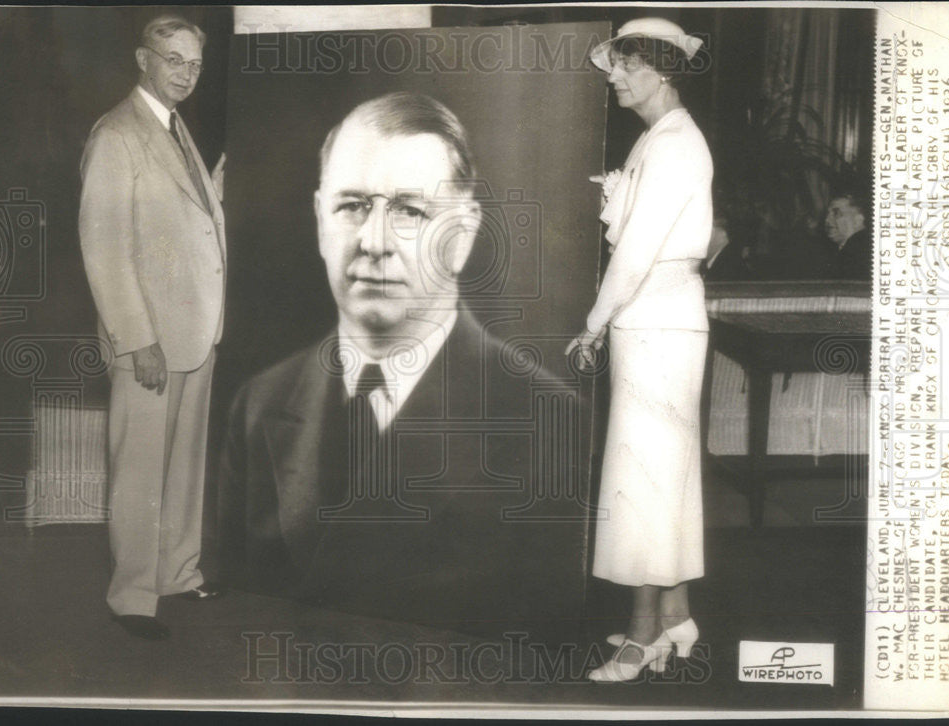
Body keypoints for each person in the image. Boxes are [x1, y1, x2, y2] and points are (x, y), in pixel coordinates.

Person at [217, 92, 584, 640]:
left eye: (411, 210)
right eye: (352, 206)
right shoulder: (260, 404)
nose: (373, 242)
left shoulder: (547, 420)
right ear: (321, 221)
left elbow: (547, 649)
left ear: (463, 235)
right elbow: (240, 617)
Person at [567, 18, 711, 681]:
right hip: (656, 320)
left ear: (664, 70)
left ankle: (642, 634)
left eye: (626, 66)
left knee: (644, 479)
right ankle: (676, 613)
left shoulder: (675, 145)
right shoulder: (659, 139)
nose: (614, 76)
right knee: (660, 473)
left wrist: (593, 321)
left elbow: (635, 251)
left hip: (654, 320)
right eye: (613, 65)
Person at [79, 14, 227, 640]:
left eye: (194, 63)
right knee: (140, 469)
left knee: (182, 467)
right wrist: (137, 340)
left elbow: (179, 217)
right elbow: (104, 247)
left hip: (197, 330)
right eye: (173, 60)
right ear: (143, 59)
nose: (186, 73)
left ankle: (177, 572)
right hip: (152, 341)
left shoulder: (173, 127)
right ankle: (133, 596)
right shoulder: (116, 133)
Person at [823, 191, 871, 280]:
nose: (827, 220)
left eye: (836, 213)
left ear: (858, 220)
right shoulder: (844, 252)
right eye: (827, 214)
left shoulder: (861, 254)